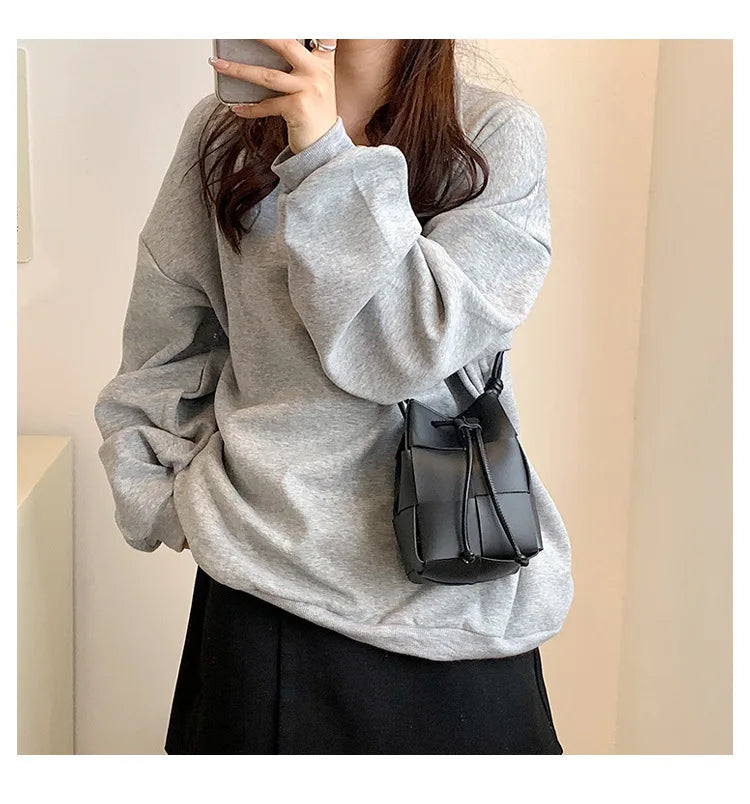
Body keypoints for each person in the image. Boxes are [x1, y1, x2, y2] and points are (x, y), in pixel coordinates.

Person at [93, 38, 574, 754]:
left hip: (454, 584)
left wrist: (324, 155)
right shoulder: (226, 133)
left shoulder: (490, 135)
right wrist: (162, 495)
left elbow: (403, 353)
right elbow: (168, 339)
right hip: (263, 585)